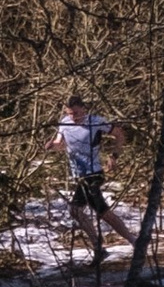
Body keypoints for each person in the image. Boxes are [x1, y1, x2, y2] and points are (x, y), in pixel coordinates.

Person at [51, 93, 131, 252]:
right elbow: (59, 144)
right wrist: (50, 145)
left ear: (83, 109)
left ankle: (98, 246)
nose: (73, 117)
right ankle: (135, 241)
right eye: (69, 113)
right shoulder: (64, 123)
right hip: (79, 175)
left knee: (75, 209)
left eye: (76, 113)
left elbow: (119, 134)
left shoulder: (96, 122)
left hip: (94, 173)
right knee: (104, 213)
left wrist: (114, 156)